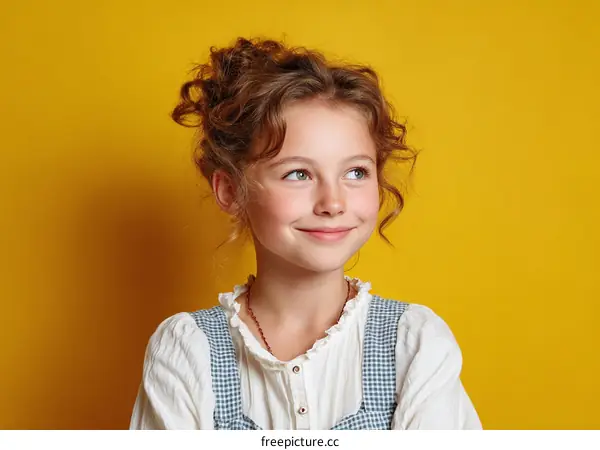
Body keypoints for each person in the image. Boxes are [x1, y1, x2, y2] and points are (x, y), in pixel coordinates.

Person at [129, 37, 482, 430]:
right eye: (298, 173)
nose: (333, 202)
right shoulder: (187, 350)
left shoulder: (413, 344)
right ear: (230, 191)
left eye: (355, 172)